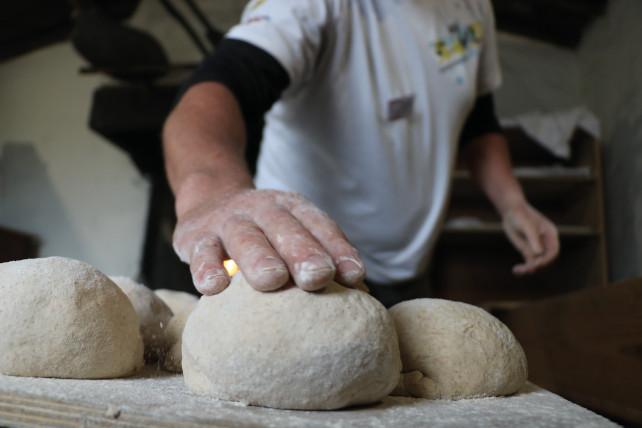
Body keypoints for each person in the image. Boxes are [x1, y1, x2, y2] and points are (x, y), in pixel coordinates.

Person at [163, 0, 559, 307]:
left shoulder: (475, 7)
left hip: (413, 268)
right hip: (297, 270)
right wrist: (213, 193)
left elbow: (478, 120)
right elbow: (217, 91)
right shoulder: (314, 7)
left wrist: (512, 203)